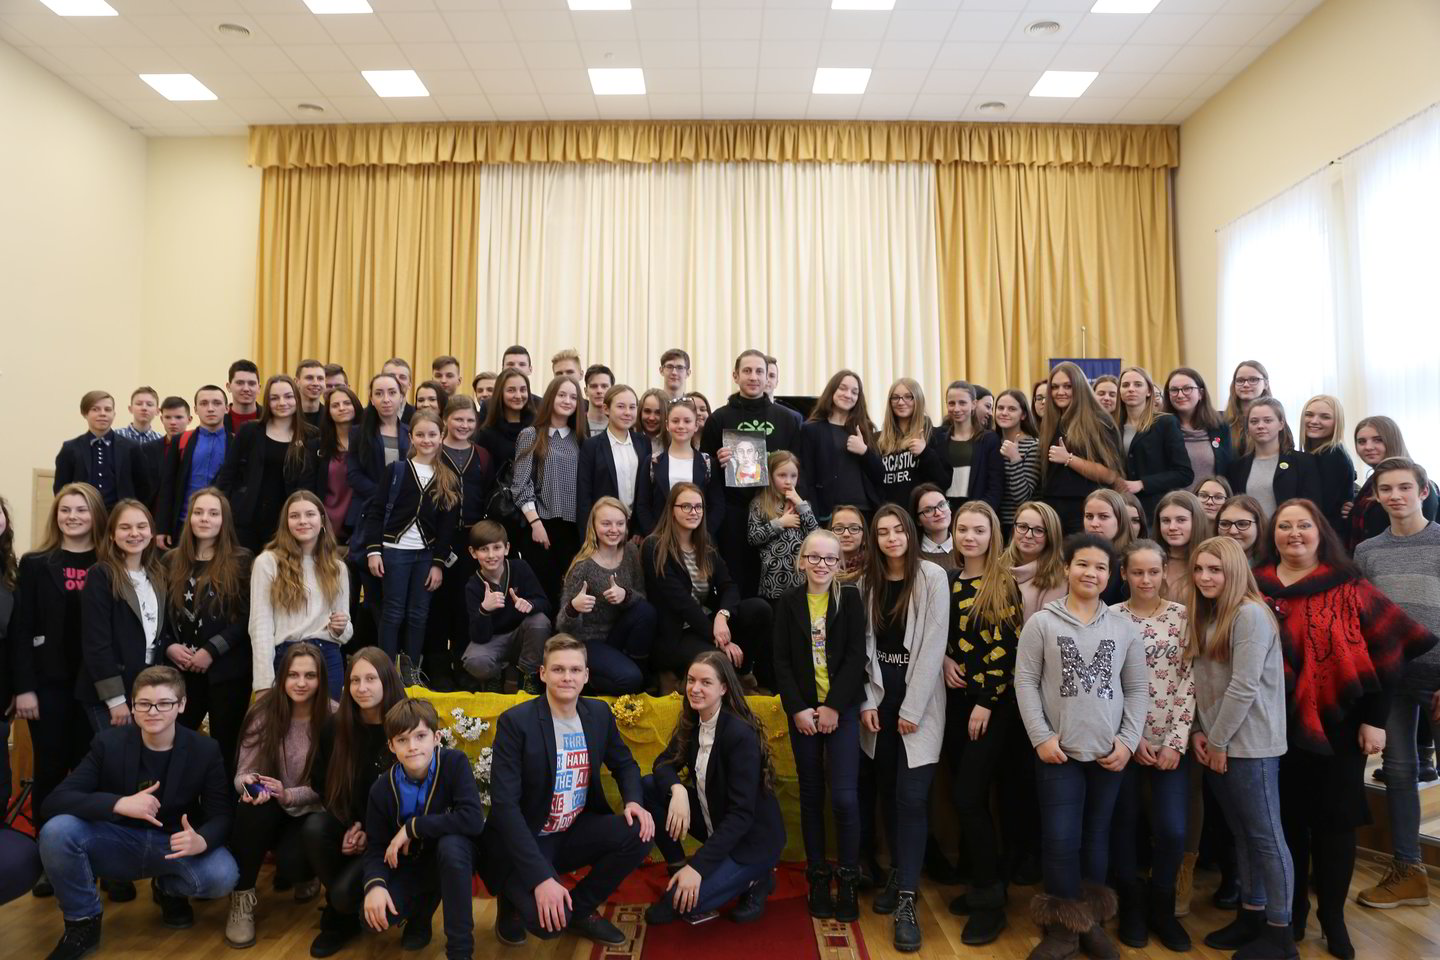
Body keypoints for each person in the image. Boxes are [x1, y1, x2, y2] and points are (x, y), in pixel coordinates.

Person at [1254, 499, 1436, 958]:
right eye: (1284, 526)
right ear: (1273, 534)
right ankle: (1292, 914)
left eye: (1304, 525)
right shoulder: (1255, 587)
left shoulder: (1350, 586)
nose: (1294, 533)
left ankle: (1332, 919)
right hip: (1270, 724)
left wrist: (1376, 720)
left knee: (1334, 824)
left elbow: (1391, 651)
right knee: (1286, 822)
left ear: (1321, 533)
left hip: (1341, 725)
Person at [37, 665, 240, 960]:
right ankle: (83, 922)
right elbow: (55, 801)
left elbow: (221, 814)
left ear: (182, 705)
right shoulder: (108, 743)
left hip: (172, 844)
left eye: (164, 703)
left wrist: (202, 840)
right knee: (57, 831)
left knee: (223, 874)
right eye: (144, 704)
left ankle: (169, 890)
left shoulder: (204, 749)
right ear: (133, 706)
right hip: (116, 842)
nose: (153, 712)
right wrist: (118, 803)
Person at [1014, 533, 1147, 960]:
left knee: (1096, 839)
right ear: (1067, 568)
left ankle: (1089, 924)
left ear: (1112, 576)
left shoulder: (1123, 627)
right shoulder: (1042, 623)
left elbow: (1137, 689)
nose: (1091, 573)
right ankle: (1062, 931)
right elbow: (1025, 682)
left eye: (1101, 567)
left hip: (1108, 753)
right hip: (1059, 753)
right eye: (1083, 564)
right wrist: (1041, 736)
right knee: (1060, 838)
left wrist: (1127, 742)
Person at [481, 635, 655, 947]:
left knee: (639, 831)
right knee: (550, 925)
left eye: (575, 670)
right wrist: (540, 878)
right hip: (527, 838)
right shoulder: (516, 723)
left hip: (573, 830)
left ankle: (582, 909)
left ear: (586, 675)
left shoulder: (598, 714)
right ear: (543, 673)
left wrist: (633, 801)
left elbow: (625, 764)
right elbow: (505, 807)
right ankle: (512, 897)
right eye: (558, 669)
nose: (567, 677)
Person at [1187, 536, 1293, 959]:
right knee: (1243, 835)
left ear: (1233, 571)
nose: (1205, 577)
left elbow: (1243, 686)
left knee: (1266, 837)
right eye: (1199, 569)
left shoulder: (1250, 614)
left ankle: (1281, 935)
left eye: (1215, 570)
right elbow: (1202, 682)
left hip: (1250, 745)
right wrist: (1200, 730)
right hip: (1219, 742)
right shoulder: (1210, 613)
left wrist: (1217, 740)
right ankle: (1252, 914)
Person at [9, 484, 108, 897]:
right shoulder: (36, 563)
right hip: (48, 686)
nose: (72, 516)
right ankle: (51, 862)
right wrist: (24, 689)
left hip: (97, 689)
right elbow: (21, 630)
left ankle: (95, 861)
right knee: (50, 771)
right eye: (65, 509)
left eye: (81, 509)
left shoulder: (110, 560)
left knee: (95, 773)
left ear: (95, 514)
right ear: (56, 515)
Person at [859, 505, 948, 953]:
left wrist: (912, 709)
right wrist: (867, 702)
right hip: (880, 701)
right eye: (883, 532)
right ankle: (897, 872)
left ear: (911, 534)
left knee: (912, 798)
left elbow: (932, 645)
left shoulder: (933, 577)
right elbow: (862, 649)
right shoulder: (866, 583)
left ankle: (908, 902)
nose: (892, 538)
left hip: (920, 704)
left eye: (898, 530)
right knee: (888, 793)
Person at [644, 651, 787, 925]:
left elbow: (741, 815)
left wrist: (698, 868)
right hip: (716, 821)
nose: (695, 688)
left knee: (677, 905)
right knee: (649, 787)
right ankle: (678, 866)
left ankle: (759, 878)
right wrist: (677, 791)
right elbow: (662, 764)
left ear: (723, 688)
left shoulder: (739, 734)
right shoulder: (694, 721)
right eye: (691, 680)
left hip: (749, 841)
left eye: (706, 682)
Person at [1354, 458, 1440, 912]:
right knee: (1401, 774)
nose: (1395, 496)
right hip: (1392, 681)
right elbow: (1362, 620)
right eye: (1386, 489)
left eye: (1404, 487)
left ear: (1423, 492)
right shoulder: (1368, 551)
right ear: (1375, 496)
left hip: (1438, 680)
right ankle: (1408, 872)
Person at [772, 529, 866, 921]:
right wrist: (797, 709)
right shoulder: (788, 602)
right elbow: (780, 660)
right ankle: (818, 875)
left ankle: (848, 877)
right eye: (814, 557)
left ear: (840, 563)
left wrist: (833, 707)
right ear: (801, 561)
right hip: (803, 713)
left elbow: (856, 657)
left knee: (844, 797)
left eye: (830, 558)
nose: (822, 564)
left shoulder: (850, 599)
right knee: (811, 794)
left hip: (840, 710)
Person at [941, 501, 1022, 946]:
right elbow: (943, 637)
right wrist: (944, 659)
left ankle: (991, 899)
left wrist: (987, 702)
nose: (969, 537)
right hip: (954, 702)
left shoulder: (1002, 583)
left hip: (989, 705)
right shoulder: (950, 580)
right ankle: (980, 884)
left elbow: (1008, 649)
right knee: (963, 794)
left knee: (970, 796)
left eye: (978, 530)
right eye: (963, 529)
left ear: (993, 535)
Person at [1110, 539, 1195, 952]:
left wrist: (1175, 742)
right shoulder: (1110, 618)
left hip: (1171, 743)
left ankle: (1162, 905)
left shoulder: (1183, 616)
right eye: (1137, 572)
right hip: (1124, 742)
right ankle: (1131, 903)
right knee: (1123, 824)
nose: (1146, 579)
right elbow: (1108, 685)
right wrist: (1132, 737)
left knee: (1173, 829)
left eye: (1153, 572)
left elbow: (1191, 681)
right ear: (1124, 574)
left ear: (1164, 573)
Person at [224, 642, 333, 948]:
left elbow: (331, 788)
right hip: (269, 807)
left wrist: (289, 795)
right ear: (281, 677)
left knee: (292, 864)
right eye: (293, 675)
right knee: (250, 809)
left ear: (321, 679)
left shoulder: (334, 717)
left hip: (310, 811)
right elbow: (242, 773)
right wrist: (251, 785)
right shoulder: (263, 713)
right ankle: (241, 899)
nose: (301, 683)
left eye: (310, 675)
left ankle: (306, 874)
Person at [361, 699, 485, 959]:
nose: (412, 746)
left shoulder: (454, 763)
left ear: (436, 738)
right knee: (370, 918)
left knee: (451, 847)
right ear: (391, 746)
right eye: (402, 740)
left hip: (452, 859)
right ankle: (421, 912)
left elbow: (473, 819)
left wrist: (413, 827)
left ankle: (460, 951)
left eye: (420, 736)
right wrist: (375, 885)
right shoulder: (382, 788)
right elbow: (376, 846)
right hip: (412, 866)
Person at [302, 648, 406, 956]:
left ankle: (345, 902)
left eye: (371, 679)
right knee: (315, 827)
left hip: (394, 836)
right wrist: (351, 826)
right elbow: (322, 784)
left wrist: (371, 833)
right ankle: (339, 916)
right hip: (352, 823)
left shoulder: (406, 727)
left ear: (387, 680)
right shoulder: (335, 727)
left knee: (345, 895)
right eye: (355, 680)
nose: (361, 688)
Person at [360, 409, 461, 682]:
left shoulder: (448, 477)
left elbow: (447, 528)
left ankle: (412, 670)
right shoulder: (396, 470)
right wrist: (374, 551)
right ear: (411, 437)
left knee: (419, 614)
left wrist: (438, 563)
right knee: (393, 612)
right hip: (394, 552)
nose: (426, 440)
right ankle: (386, 671)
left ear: (441, 437)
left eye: (432, 434)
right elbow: (376, 512)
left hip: (426, 555)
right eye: (420, 434)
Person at [641, 483, 774, 689]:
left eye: (698, 507)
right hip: (675, 634)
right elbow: (682, 603)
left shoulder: (706, 543)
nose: (694, 512)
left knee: (759, 609)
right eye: (686, 506)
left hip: (706, 623)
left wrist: (722, 615)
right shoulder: (654, 546)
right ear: (671, 510)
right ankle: (673, 674)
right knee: (719, 660)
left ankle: (741, 673)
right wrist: (720, 639)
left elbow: (729, 585)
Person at [163, 488, 253, 778]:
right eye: (199, 512)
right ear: (189, 518)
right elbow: (157, 615)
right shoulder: (169, 561)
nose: (205, 519)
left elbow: (248, 617)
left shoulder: (242, 561)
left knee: (225, 749)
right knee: (177, 747)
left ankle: (221, 804)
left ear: (224, 520)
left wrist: (212, 650)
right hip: (180, 673)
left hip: (227, 673)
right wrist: (169, 646)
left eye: (213, 513)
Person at [701, 350, 801, 594]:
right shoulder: (718, 419)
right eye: (747, 371)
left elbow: (800, 469)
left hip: (777, 511)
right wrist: (717, 461)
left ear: (768, 377)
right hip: (733, 514)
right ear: (735, 375)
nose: (753, 377)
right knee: (736, 580)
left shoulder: (788, 419)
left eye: (759, 371)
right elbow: (705, 471)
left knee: (777, 582)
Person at [249, 491, 353, 701]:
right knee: (286, 721)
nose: (303, 521)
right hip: (287, 657)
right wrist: (263, 683)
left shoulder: (337, 567)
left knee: (328, 721)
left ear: (322, 520)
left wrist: (341, 627)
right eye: (294, 516)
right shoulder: (267, 562)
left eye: (310, 514)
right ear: (285, 523)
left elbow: (345, 631)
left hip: (328, 657)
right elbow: (260, 626)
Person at [79, 499, 166, 733]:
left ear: (151, 532)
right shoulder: (100, 575)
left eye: (141, 526)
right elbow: (96, 643)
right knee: (119, 753)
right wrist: (115, 700)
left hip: (146, 688)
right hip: (110, 692)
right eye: (125, 527)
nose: (134, 533)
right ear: (112, 534)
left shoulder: (157, 574)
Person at [427, 395, 496, 691]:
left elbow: (488, 493)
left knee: (466, 602)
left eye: (470, 420)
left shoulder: (482, 455)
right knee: (439, 603)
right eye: (458, 419)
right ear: (446, 419)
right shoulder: (434, 450)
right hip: (438, 538)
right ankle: (437, 667)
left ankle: (463, 665)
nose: (464, 425)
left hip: (472, 539)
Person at [556, 498, 656, 694]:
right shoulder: (583, 566)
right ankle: (591, 683)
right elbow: (562, 626)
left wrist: (625, 595)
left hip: (619, 635)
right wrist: (574, 608)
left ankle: (637, 672)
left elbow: (641, 597)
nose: (614, 530)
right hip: (589, 641)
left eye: (620, 523)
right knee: (631, 679)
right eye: (606, 524)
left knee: (646, 611)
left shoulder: (630, 551)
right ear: (594, 525)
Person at [215, 374, 321, 552]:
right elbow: (227, 474)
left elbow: (312, 483)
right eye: (274, 398)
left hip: (289, 521)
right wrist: (220, 511)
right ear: (267, 401)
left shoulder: (311, 435)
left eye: (288, 396)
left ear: (297, 398)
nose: (282, 402)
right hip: (247, 518)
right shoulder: (249, 430)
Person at [513, 375, 587, 610]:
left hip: (572, 530)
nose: (567, 401)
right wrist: (535, 523)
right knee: (544, 591)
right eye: (561, 395)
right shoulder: (531, 434)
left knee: (569, 592)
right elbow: (520, 484)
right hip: (541, 526)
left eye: (573, 397)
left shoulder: (580, 439)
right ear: (550, 398)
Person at [461, 521, 552, 693]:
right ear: (473, 552)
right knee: (475, 660)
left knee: (540, 621)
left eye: (497, 548)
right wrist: (484, 610)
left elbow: (545, 604)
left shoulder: (520, 568)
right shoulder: (473, 585)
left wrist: (530, 605)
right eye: (484, 549)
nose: (491, 555)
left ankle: (528, 677)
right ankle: (494, 677)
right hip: (493, 640)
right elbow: (479, 637)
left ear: (507, 548)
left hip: (522, 636)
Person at [1038, 361, 1125, 534]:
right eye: (1055, 387)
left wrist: (1069, 459)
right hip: (1052, 510)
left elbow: (1110, 475)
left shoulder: (1100, 422)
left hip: (1085, 512)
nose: (1060, 392)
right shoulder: (1051, 423)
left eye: (1067, 386)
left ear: (1079, 387)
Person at [797, 369, 881, 521]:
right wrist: (814, 516)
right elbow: (807, 478)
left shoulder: (866, 428)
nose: (848, 395)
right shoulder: (812, 429)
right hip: (830, 513)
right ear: (832, 390)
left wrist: (864, 451)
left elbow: (880, 474)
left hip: (864, 510)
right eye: (843, 388)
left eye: (854, 392)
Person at [1347, 416, 1440, 550]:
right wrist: (1352, 508)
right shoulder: (1371, 482)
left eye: (1378, 440)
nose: (1368, 447)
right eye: (1361, 441)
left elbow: (1423, 539)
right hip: (1368, 557)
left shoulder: (1419, 485)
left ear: (1393, 441)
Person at [633, 397, 722, 536]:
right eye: (675, 421)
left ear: (696, 425)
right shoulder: (652, 462)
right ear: (667, 425)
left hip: (698, 540)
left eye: (687, 421)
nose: (681, 426)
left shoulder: (708, 463)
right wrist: (656, 536)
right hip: (660, 539)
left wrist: (702, 536)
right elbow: (643, 505)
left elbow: (717, 506)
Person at [156, 384, 231, 546]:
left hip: (222, 524)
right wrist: (162, 527)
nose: (210, 409)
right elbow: (167, 486)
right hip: (184, 522)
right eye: (204, 403)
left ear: (226, 408)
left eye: (216, 403)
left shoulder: (236, 442)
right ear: (196, 409)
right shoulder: (181, 441)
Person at [1226, 398, 1322, 522]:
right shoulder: (1237, 468)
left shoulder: (1303, 462)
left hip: (1289, 530)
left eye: (1267, 420)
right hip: (1250, 532)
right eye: (1254, 421)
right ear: (1247, 427)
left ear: (1281, 424)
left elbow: (1312, 508)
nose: (1260, 426)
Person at [1117, 366, 1194, 520]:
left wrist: (1142, 484)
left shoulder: (1165, 423)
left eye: (1138, 384)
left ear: (1149, 391)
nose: (1131, 389)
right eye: (1125, 385)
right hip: (1121, 508)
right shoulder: (1113, 426)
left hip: (1155, 508)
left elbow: (1184, 474)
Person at [575, 383, 652, 533]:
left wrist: (639, 530)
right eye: (621, 406)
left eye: (632, 407)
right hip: (604, 528)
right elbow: (584, 496)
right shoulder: (591, 446)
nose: (627, 412)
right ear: (606, 409)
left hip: (635, 530)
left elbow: (645, 491)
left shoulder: (643, 443)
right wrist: (588, 536)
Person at [54, 390, 149, 507]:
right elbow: (61, 489)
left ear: (114, 414)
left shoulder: (131, 447)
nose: (102, 414)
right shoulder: (70, 448)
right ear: (85, 413)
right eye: (95, 409)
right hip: (84, 513)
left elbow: (143, 487)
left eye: (108, 409)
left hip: (120, 513)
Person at [748, 450, 820, 599]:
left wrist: (800, 504)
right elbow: (753, 538)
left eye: (793, 476)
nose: (788, 481)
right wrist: (780, 523)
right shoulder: (759, 504)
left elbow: (817, 536)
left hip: (801, 582)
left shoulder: (803, 506)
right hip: (773, 582)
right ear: (770, 476)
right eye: (782, 475)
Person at [873, 377, 947, 510]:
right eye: (895, 397)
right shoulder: (877, 439)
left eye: (908, 397)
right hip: (888, 515)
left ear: (918, 399)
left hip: (921, 515)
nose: (901, 402)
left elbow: (944, 481)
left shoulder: (934, 435)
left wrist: (925, 453)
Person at [935, 380, 1004, 512]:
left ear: (973, 404)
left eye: (962, 403)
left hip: (978, 512)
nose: (956, 409)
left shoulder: (989, 440)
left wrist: (981, 513)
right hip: (944, 513)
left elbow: (995, 487)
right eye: (951, 403)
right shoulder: (938, 439)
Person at [1163, 367, 1233, 485]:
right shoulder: (1160, 428)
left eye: (1187, 389)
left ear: (1201, 393)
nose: (1180, 395)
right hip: (1173, 496)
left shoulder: (1220, 426)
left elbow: (1228, 469)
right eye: (1174, 390)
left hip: (1211, 496)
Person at [1300, 395, 1357, 538]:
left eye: (1325, 417)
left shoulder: (1333, 456)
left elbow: (1322, 508)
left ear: (1337, 423)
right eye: (1309, 415)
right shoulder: (1317, 454)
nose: (1314, 421)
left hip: (1327, 538)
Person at [1003, 500, 1067, 623]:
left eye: (1038, 530)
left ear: (1051, 536)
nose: (1028, 535)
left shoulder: (1058, 577)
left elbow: (1047, 627)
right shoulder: (995, 565)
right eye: (1022, 527)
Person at [315, 384, 360, 544]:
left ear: (356, 406)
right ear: (328, 412)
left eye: (347, 403)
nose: (342, 408)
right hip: (325, 524)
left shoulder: (368, 444)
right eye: (335, 405)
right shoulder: (317, 446)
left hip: (358, 525)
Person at [994, 388, 1042, 533]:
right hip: (992, 521)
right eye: (1000, 408)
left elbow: (1022, 497)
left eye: (1012, 409)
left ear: (1023, 415)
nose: (1004, 413)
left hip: (1020, 524)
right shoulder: (991, 442)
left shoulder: (1033, 446)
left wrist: (1015, 458)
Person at [1155, 489, 1210, 605]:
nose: (1172, 527)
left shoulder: (1214, 560)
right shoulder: (1150, 559)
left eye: (1181, 520)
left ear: (1197, 521)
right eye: (1166, 521)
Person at [1082, 489, 1133, 605]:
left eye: (1103, 516)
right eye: (1089, 516)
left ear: (1120, 520)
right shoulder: (1073, 555)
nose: (1094, 524)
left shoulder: (1131, 560)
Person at [1223, 361, 1272, 457]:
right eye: (1240, 380)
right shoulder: (1221, 421)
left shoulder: (1276, 419)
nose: (1245, 384)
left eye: (1253, 379)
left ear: (1265, 384)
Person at [910, 483, 956, 572]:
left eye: (942, 505)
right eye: (928, 510)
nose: (938, 513)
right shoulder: (910, 555)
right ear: (918, 520)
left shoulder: (966, 547)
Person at [1218, 494, 1268, 566]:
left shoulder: (1274, 568)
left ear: (1259, 526)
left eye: (1242, 524)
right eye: (1225, 524)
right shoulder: (1205, 562)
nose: (1232, 531)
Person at [831, 505, 867, 582]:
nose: (846, 534)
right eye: (839, 529)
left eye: (854, 529)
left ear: (864, 536)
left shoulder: (875, 569)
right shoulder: (818, 567)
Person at [226, 360, 262, 432]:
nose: (246, 389)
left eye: (251, 383)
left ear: (259, 388)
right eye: (240, 383)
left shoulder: (271, 419)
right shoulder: (218, 420)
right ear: (229, 387)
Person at [381, 357, 418, 425]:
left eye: (402, 377)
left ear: (409, 384)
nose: (397, 381)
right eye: (391, 376)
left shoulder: (418, 415)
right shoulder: (365, 415)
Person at [583, 365, 614, 435]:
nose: (599, 391)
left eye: (604, 386)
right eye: (593, 386)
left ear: (612, 390)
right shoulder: (575, 425)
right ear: (586, 391)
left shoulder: (622, 425)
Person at [296, 360, 328, 427]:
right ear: (297, 382)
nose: (315, 383)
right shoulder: (287, 416)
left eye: (320, 378)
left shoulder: (331, 417)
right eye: (309, 378)